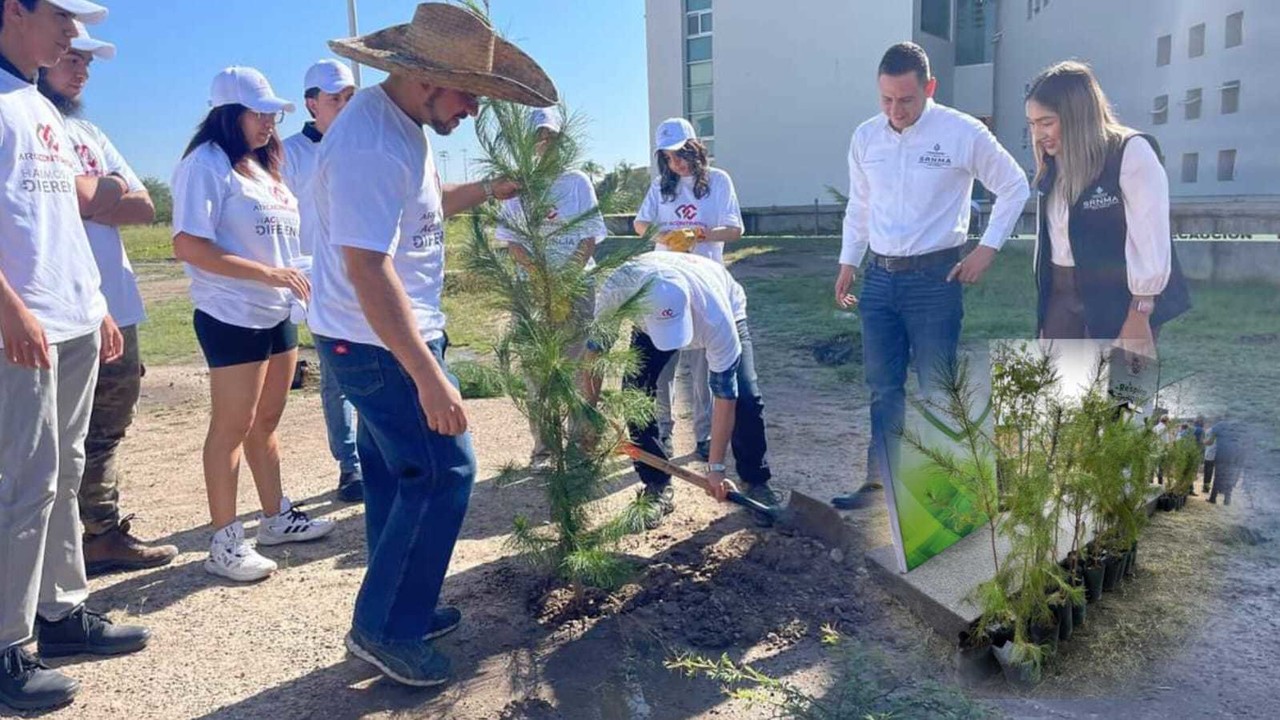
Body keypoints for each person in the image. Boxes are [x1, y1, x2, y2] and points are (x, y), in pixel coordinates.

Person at [312, 2, 555, 687]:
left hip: (387, 335)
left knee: (398, 475)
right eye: (470, 95)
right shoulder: (370, 144)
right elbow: (367, 266)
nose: (475, 111)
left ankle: (403, 607)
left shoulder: (403, 126)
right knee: (447, 470)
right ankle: (384, 627)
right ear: (427, 80)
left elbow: (422, 204)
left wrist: (491, 188)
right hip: (376, 342)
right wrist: (429, 375)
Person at [1, 0, 150, 711]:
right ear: (13, 10)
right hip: (18, 326)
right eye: (61, 16)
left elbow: (60, 220)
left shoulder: (38, 107)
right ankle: (6, 643)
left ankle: (59, 614)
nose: (72, 33)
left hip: (72, 319)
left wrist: (94, 304)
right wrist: (10, 308)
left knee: (64, 472)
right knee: (20, 484)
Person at [832, 42, 1030, 510]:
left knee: (937, 389)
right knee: (883, 388)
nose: (895, 111)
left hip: (935, 281)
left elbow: (1015, 185)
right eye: (886, 100)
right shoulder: (866, 137)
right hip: (879, 281)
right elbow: (859, 205)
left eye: (906, 100)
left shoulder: (962, 132)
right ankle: (879, 485)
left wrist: (987, 248)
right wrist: (848, 261)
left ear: (930, 88)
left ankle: (945, 495)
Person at [171, 66, 334, 583]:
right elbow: (189, 244)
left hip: (277, 311)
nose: (268, 122)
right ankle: (223, 542)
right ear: (228, 113)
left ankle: (275, 517)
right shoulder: (206, 165)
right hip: (231, 313)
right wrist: (268, 273)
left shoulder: (264, 169)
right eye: (258, 113)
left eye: (272, 113)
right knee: (232, 427)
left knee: (266, 423)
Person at [36, 23, 178, 576]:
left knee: (109, 423)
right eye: (71, 57)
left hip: (116, 300)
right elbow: (72, 194)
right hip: (56, 304)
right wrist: (104, 192)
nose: (81, 69)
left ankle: (99, 532)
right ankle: (55, 550)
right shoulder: (30, 119)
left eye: (86, 63)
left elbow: (144, 205)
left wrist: (103, 194)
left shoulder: (90, 133)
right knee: (50, 432)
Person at [595, 251, 775, 529]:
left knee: (747, 398)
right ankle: (656, 485)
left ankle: (755, 481)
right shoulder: (619, 288)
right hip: (648, 320)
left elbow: (726, 395)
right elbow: (594, 355)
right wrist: (587, 412)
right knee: (635, 394)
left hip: (720, 300)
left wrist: (715, 469)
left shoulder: (715, 315)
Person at [1026, 61, 1190, 348]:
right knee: (1054, 391)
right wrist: (1046, 319)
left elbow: (1150, 236)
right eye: (1033, 124)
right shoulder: (1052, 163)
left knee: (1121, 391)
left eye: (1047, 122)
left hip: (1121, 298)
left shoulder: (1130, 151)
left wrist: (1141, 311)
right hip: (1061, 296)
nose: (1039, 135)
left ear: (1077, 116)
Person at [494, 105, 607, 471]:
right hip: (533, 289)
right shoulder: (517, 185)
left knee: (578, 364)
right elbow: (512, 240)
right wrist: (541, 278)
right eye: (536, 136)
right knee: (536, 370)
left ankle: (579, 444)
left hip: (576, 285)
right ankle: (544, 448)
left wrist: (566, 278)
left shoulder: (576, 182)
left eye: (550, 136)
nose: (543, 142)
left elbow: (590, 234)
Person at [634, 117, 743, 461]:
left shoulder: (718, 182)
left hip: (704, 282)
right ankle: (663, 430)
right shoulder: (659, 186)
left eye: (680, 153)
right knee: (662, 363)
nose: (675, 162)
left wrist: (699, 234)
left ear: (695, 148)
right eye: (667, 156)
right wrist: (661, 235)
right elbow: (639, 224)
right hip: (665, 282)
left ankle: (703, 434)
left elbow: (734, 229)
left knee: (701, 367)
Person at [280, 58, 362, 502]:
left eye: (350, 98)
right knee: (336, 375)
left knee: (380, 367)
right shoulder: (289, 154)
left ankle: (378, 455)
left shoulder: (362, 147)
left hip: (366, 275)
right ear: (312, 104)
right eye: (335, 99)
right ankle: (350, 466)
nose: (345, 106)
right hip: (319, 280)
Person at [1201, 420, 1217, 495]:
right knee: (1209, 472)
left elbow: (1209, 442)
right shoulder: (1214, 430)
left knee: (1208, 472)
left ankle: (1206, 488)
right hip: (1211, 453)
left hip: (1210, 454)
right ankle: (1206, 487)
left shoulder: (1211, 430)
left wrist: (1203, 442)